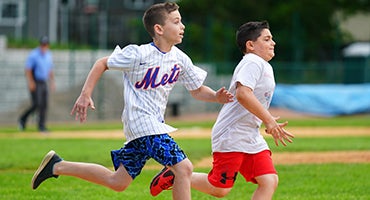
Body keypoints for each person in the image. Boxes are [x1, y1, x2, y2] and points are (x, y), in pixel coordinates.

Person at [31, 2, 233, 200]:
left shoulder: (180, 58)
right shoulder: (138, 54)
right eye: (176, 21)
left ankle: (57, 166)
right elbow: (102, 63)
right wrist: (85, 94)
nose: (183, 26)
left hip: (147, 129)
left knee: (117, 181)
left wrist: (216, 96)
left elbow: (197, 90)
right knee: (184, 168)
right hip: (144, 125)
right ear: (159, 29)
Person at [150, 21, 295, 199]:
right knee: (219, 188)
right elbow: (243, 94)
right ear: (250, 45)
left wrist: (264, 119)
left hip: (250, 135)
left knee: (269, 180)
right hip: (231, 134)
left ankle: (178, 174)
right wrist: (269, 120)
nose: (273, 43)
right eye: (267, 39)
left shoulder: (264, 65)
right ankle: (178, 174)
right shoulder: (252, 62)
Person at [18, 36, 55, 133]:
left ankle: (41, 126)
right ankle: (22, 119)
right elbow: (28, 69)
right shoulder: (34, 55)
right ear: (40, 45)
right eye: (42, 44)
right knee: (36, 104)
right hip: (36, 81)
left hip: (43, 82)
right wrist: (30, 82)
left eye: (45, 44)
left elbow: (50, 70)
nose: (44, 46)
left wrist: (52, 82)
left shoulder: (48, 55)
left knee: (44, 104)